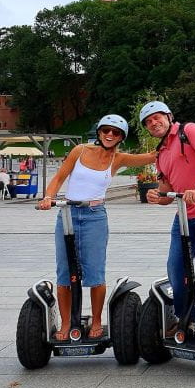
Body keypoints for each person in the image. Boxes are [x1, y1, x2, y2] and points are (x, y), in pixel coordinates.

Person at [37, 114, 156, 341]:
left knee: (95, 271)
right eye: (106, 131)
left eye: (116, 133)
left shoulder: (118, 159)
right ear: (99, 132)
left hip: (95, 216)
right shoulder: (79, 151)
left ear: (121, 137)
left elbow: (151, 157)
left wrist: (179, 137)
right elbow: (59, 177)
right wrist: (48, 197)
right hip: (68, 213)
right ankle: (65, 323)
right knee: (64, 272)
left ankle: (98, 320)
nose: (110, 135)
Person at [141, 100, 195, 347]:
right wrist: (156, 196)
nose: (153, 123)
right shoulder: (161, 154)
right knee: (176, 270)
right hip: (184, 215)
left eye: (157, 117)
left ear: (169, 117)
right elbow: (166, 191)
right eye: (148, 122)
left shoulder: (190, 130)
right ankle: (188, 320)